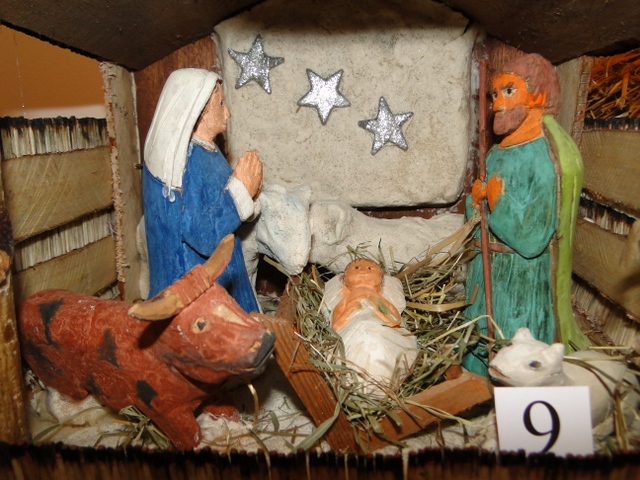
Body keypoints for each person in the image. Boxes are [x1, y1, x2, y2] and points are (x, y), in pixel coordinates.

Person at [463, 54, 588, 375]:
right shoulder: (495, 153)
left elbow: (532, 239)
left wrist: (498, 201)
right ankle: (474, 390)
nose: (497, 103)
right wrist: (475, 203)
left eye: (508, 91)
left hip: (520, 280)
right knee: (479, 346)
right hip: (486, 272)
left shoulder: (545, 158)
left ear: (538, 95)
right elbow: (475, 222)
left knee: (513, 350)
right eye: (494, 94)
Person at [143, 68, 262, 313]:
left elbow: (220, 202)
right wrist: (241, 189)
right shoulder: (188, 162)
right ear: (200, 112)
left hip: (224, 275)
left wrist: (249, 192)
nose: (227, 113)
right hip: (198, 294)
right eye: (221, 104)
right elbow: (204, 236)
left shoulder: (207, 149)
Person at [323, 258, 417, 395]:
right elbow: (336, 323)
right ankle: (356, 379)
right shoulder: (346, 298)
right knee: (363, 337)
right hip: (353, 329)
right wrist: (351, 308)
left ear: (381, 280)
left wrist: (377, 310)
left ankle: (383, 378)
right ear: (344, 279)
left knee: (377, 339)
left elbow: (394, 320)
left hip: (381, 329)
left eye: (370, 268)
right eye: (356, 268)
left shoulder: (380, 298)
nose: (363, 270)